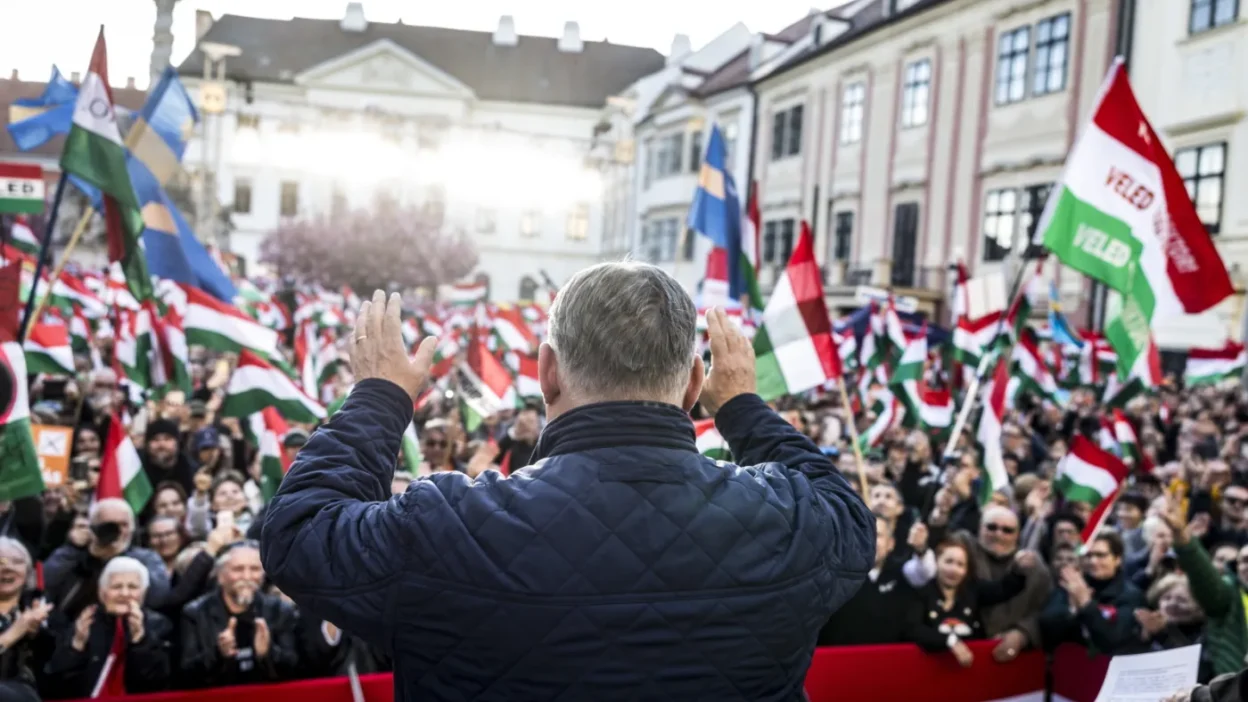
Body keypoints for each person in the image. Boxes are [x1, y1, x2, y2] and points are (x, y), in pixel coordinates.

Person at [262, 271, 874, 699]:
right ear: (694, 383)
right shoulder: (792, 522)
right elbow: (849, 517)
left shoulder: (450, 526)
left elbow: (298, 534)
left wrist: (379, 396)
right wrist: (741, 404)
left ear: (546, 371)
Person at [44, 556, 173, 697]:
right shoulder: (85, 622)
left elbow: (156, 685)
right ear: (102, 592)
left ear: (144, 593)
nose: (124, 594)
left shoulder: (159, 624)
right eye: (116, 587)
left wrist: (140, 640)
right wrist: (77, 646)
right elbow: (58, 687)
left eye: (133, 587)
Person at [180, 541, 298, 688]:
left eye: (254, 569)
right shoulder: (195, 613)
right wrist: (218, 654)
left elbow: (295, 669)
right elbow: (186, 675)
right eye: (238, 569)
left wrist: (268, 653)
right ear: (220, 576)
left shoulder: (280, 610)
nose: (247, 576)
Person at [905, 536, 1035, 668]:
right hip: (931, 668)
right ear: (937, 562)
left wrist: (1019, 569)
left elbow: (1003, 589)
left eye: (960, 565)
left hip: (972, 668)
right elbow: (914, 630)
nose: (954, 569)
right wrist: (950, 642)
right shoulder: (922, 593)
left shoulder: (973, 590)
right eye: (948, 562)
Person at [43, 498, 170, 620]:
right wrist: (73, 548)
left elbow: (159, 597)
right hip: (76, 629)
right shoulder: (75, 554)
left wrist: (122, 556)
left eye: (124, 525)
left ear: (132, 529)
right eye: (110, 525)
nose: (118, 531)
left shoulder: (145, 558)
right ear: (93, 528)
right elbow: (47, 580)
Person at [1040, 530, 1144, 654]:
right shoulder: (1073, 584)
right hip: (1071, 661)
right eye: (1088, 556)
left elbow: (1114, 638)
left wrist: (1086, 604)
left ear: (1117, 559)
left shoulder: (1131, 595)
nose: (1093, 561)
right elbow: (1046, 623)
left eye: (1101, 555)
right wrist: (1072, 610)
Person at [817, 516, 910, 646]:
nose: (870, 541)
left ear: (891, 543)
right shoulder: (831, 579)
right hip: (841, 661)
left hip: (889, 662)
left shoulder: (904, 579)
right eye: (864, 534)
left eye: (877, 535)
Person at [0, 538, 54, 702]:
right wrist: (16, 631)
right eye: (0, 561)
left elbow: (58, 670)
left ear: (29, 572)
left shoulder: (43, 609)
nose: (7, 567)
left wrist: (38, 635)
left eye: (17, 562)